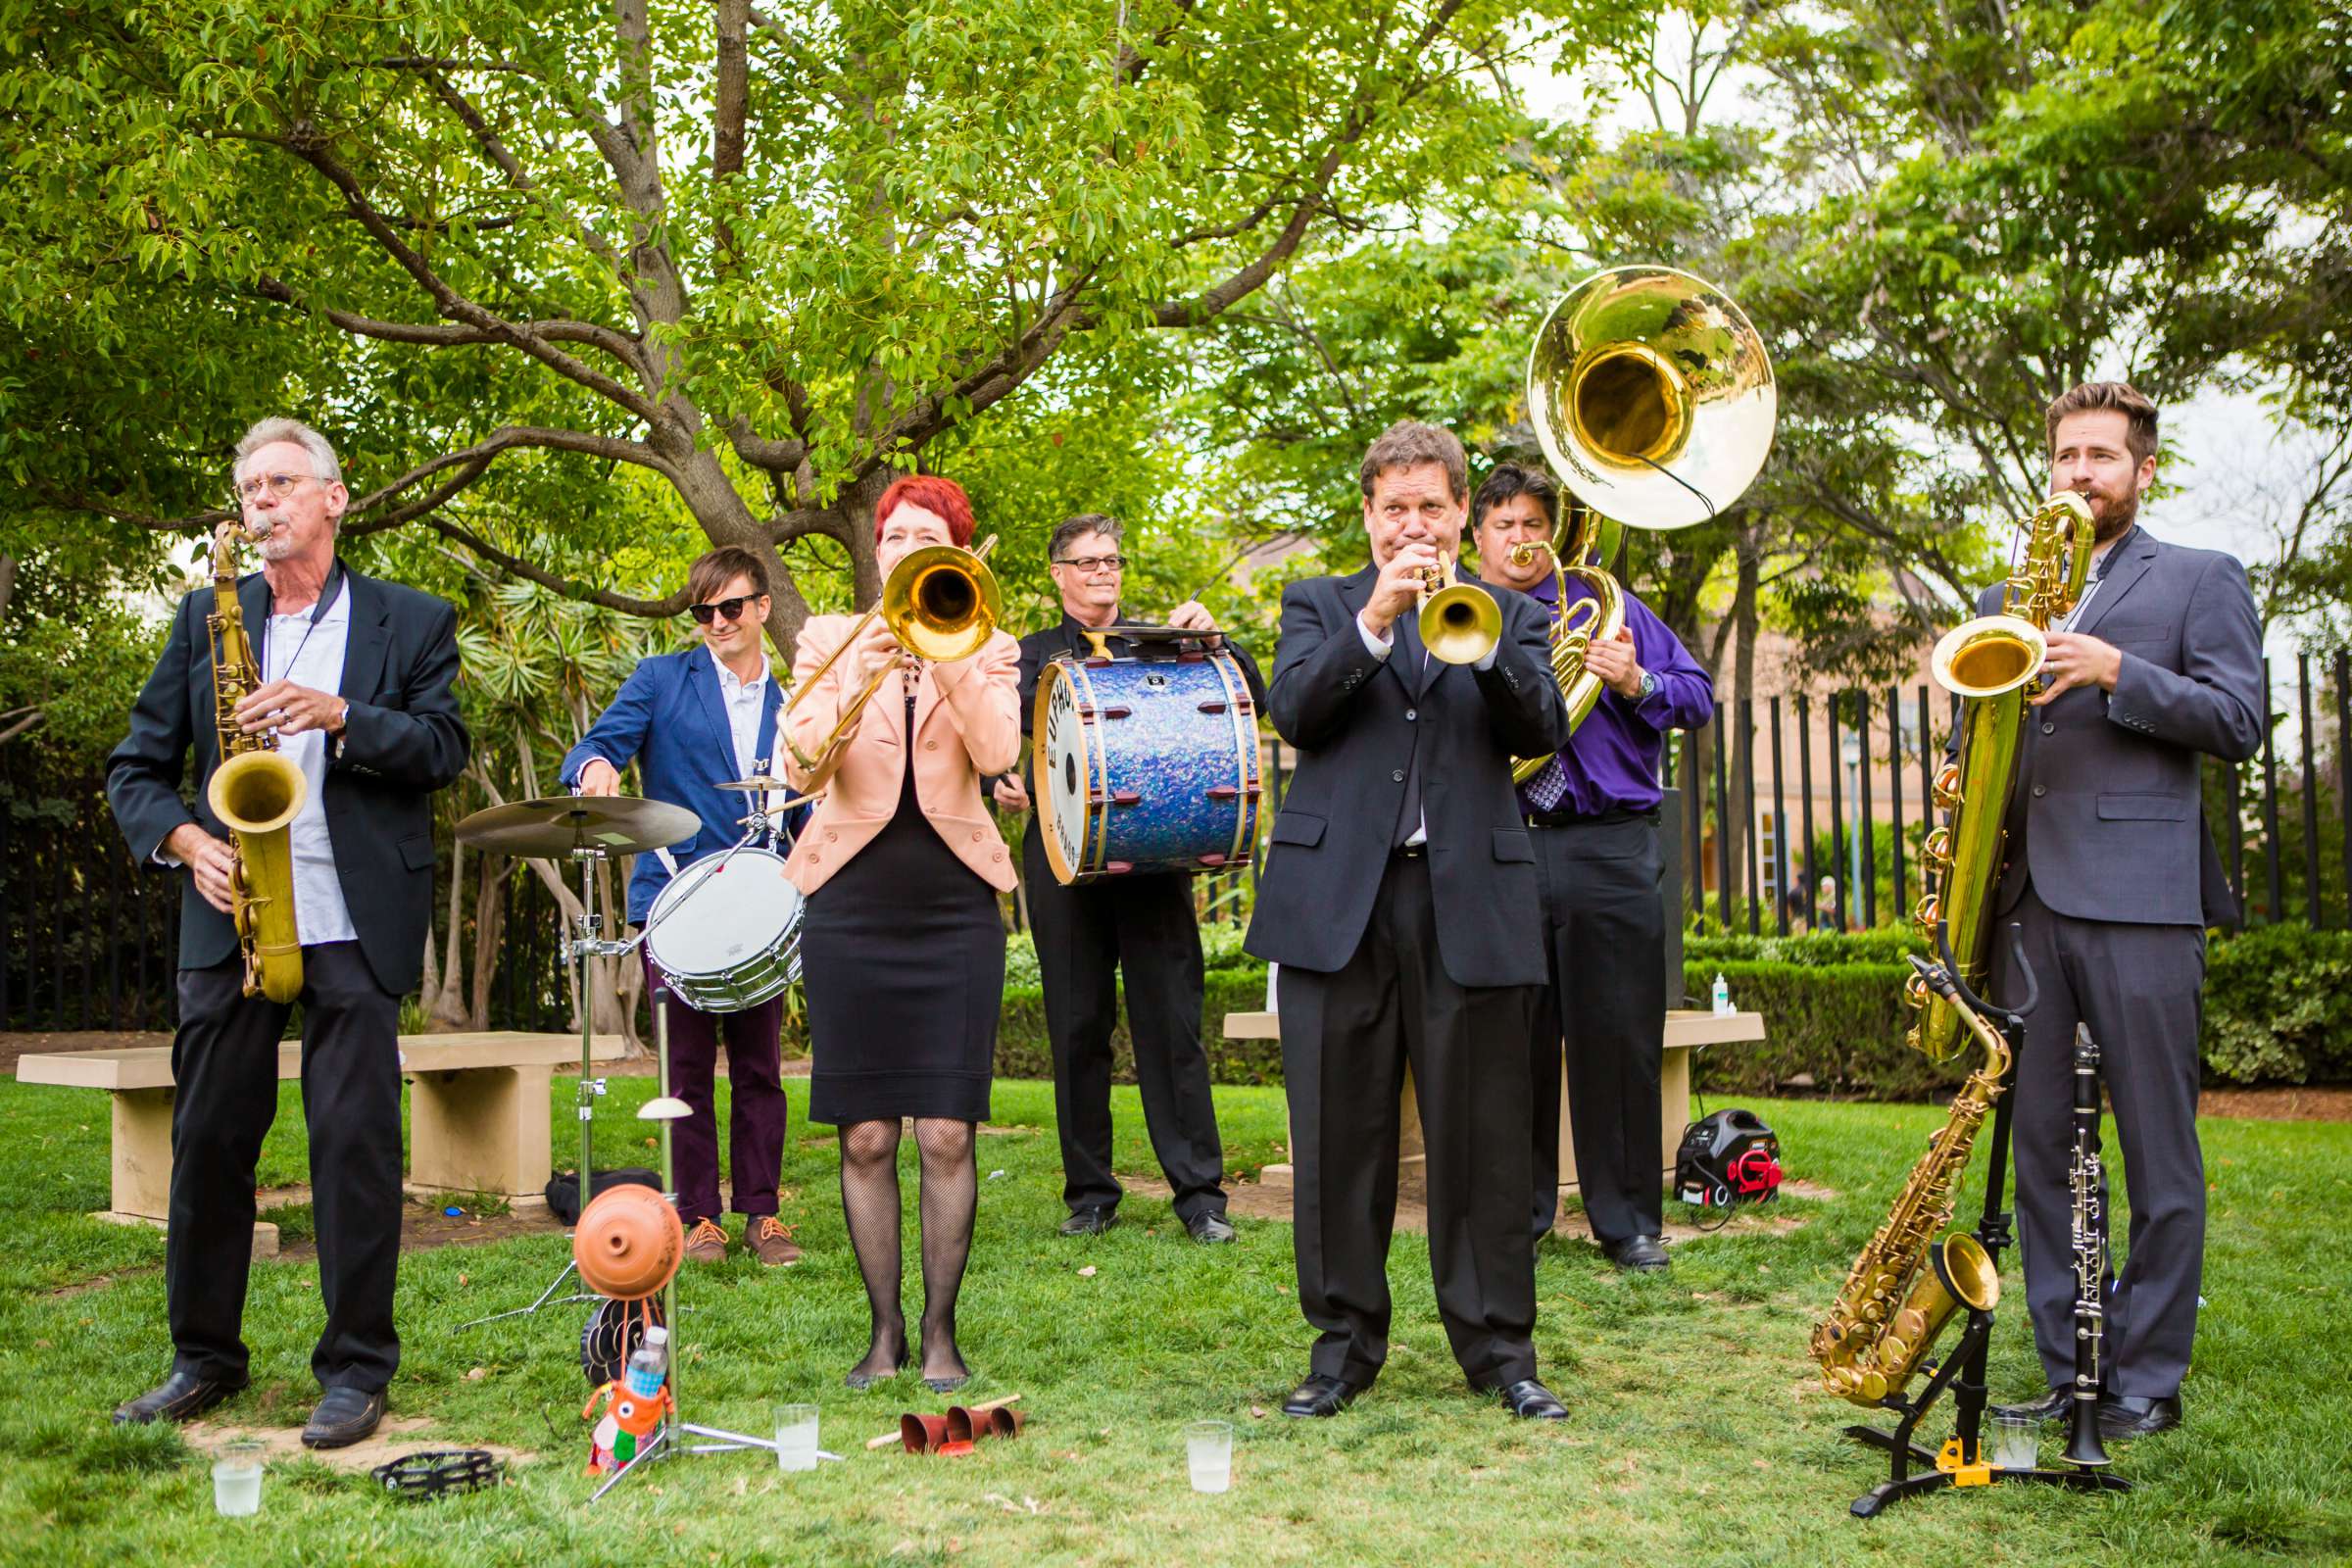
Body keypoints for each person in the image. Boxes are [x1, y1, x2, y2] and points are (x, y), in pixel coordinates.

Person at [105, 417, 469, 1447]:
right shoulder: (203, 618)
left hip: (351, 920)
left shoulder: (412, 619)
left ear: (334, 498)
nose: (261, 500)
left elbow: (443, 746)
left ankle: (356, 1370)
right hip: (233, 912)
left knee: (354, 1148)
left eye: (280, 483)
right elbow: (135, 768)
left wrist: (341, 713)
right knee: (209, 1142)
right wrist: (184, 839)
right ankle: (202, 1359)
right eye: (249, 486)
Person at [1245, 420, 1574, 1422]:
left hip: (1466, 897)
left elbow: (1544, 727)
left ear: (1461, 514)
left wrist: (1470, 643)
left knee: (1484, 1138)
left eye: (1433, 507)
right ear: (1369, 516)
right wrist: (1377, 624)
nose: (1414, 525)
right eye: (1396, 509)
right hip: (1338, 904)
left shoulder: (1508, 615)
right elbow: (1296, 712)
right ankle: (1343, 1345)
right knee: (1339, 1136)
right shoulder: (1319, 605)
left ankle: (1499, 1348)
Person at [1979, 382, 2263, 1443]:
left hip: (2144, 901)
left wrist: (2119, 670)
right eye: (2065, 456)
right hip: (2032, 903)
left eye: (2102, 455)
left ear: (2145, 471)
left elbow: (2238, 718)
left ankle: (2146, 1373)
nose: (2081, 473)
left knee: (2157, 1147)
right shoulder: (2019, 590)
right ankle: (2070, 1366)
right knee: (2044, 1146)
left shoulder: (2199, 578)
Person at [782, 474, 1022, 1393]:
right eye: (894, 536)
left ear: (955, 553)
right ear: (875, 551)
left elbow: (999, 753)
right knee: (868, 1137)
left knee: (948, 1137)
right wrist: (857, 659)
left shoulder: (989, 640)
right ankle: (881, 1333)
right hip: (851, 902)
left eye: (927, 536)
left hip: (955, 906)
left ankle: (940, 1335)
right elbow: (802, 767)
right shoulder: (823, 637)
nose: (906, 548)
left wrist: (949, 652)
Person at [1469, 464, 1714, 1275]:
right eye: (1504, 524)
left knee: (1620, 1040)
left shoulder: (1609, 607)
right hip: (1506, 841)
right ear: (1478, 538)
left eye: (1535, 522)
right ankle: (1523, 1215)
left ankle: (1629, 1220)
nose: (1521, 539)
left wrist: (1636, 680)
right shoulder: (1458, 618)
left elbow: (1697, 696)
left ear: (1555, 530)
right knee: (1514, 1042)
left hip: (1610, 843)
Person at [992, 513, 1264, 1243]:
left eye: (1110, 561)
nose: (1102, 573)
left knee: (1172, 1029)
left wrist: (1221, 643)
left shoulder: (1167, 645)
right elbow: (990, 729)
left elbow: (1252, 701)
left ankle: (1201, 1198)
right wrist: (1001, 776)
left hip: (1156, 860)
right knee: (1077, 1027)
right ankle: (1090, 1196)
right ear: (1058, 574)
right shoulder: (1028, 655)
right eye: (1086, 563)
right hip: (1064, 862)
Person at [561, 547, 810, 1268]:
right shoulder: (661, 679)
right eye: (703, 611)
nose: (717, 622)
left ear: (762, 607)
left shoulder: (799, 700)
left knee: (761, 1067)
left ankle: (763, 1215)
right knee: (685, 1073)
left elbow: (815, 803)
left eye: (730, 607)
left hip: (763, 906)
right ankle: (699, 1217)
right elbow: (592, 750)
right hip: (674, 903)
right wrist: (597, 767)